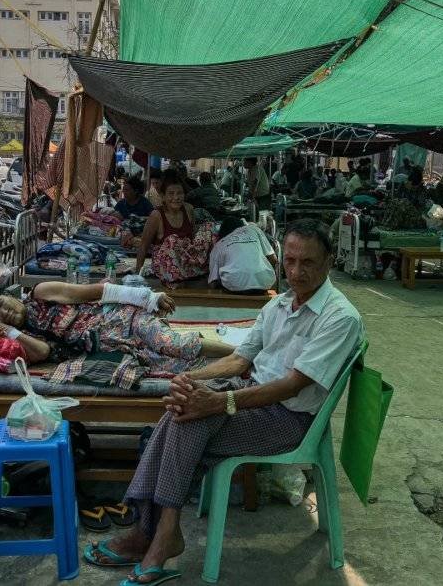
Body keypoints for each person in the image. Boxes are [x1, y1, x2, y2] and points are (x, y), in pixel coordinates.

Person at [83, 219, 362, 581]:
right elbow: (239, 360)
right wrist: (188, 379)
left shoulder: (340, 317)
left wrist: (221, 401)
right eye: (290, 261)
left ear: (329, 262)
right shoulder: (279, 305)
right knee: (181, 412)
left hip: (290, 420)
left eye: (307, 262)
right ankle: (157, 534)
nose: (296, 272)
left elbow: (293, 386)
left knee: (187, 423)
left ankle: (156, 536)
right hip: (255, 399)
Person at [0, 282, 235, 369]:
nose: (4, 313)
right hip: (118, 348)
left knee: (171, 344)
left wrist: (148, 298)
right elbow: (43, 351)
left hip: (125, 319)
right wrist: (5, 329)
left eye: (1, 304)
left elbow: (98, 291)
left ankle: (242, 355)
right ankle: (237, 365)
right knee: (176, 365)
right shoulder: (20, 337)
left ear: (9, 295)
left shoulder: (41, 293)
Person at [135, 176, 198, 276]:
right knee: (172, 241)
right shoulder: (156, 215)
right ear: (163, 196)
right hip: (165, 271)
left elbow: (193, 239)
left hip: (188, 268)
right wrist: (137, 275)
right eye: (171, 193)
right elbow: (144, 246)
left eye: (180, 193)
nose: (176, 197)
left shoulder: (189, 210)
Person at [208, 217, 278, 293]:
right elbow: (273, 259)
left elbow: (213, 283)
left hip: (234, 286)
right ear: (242, 225)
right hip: (265, 283)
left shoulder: (218, 245)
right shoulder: (253, 229)